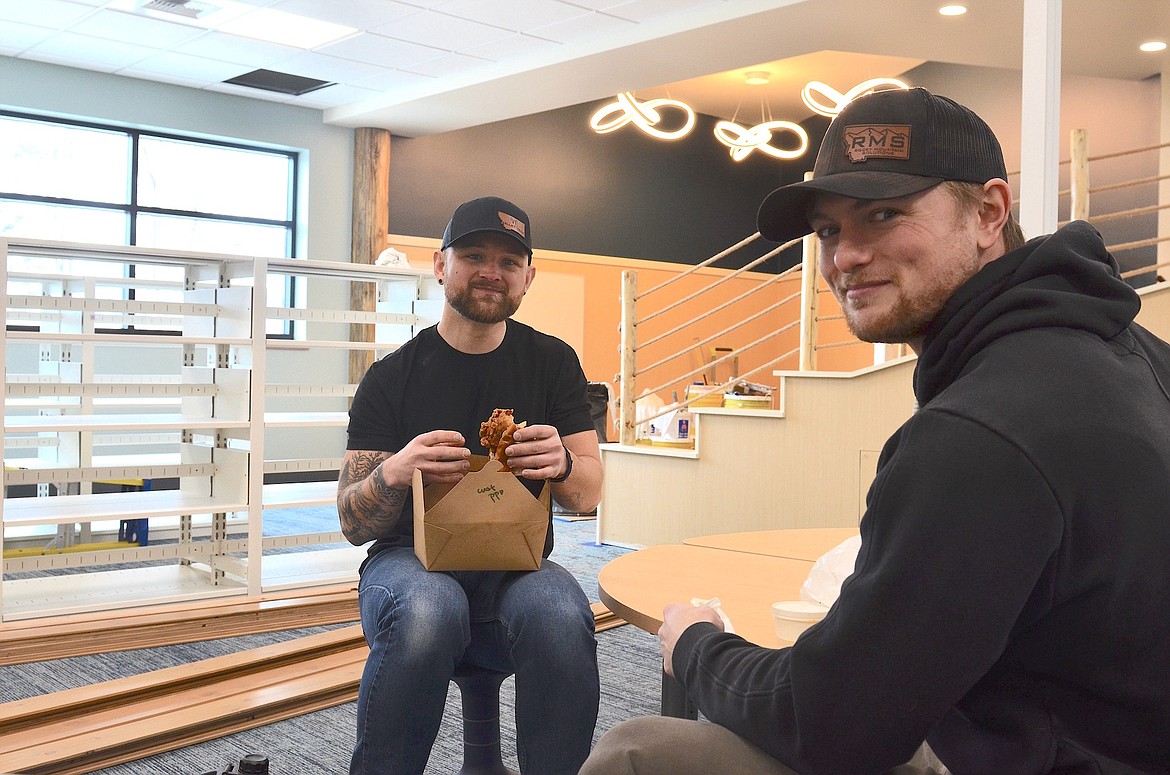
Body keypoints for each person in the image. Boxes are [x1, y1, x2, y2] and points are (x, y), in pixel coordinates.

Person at [581, 87, 1170, 775]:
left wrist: (699, 644)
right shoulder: (1134, 351)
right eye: (829, 230)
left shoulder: (979, 432)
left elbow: (830, 725)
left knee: (637, 755)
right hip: (1073, 726)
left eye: (885, 213)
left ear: (988, 213)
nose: (845, 256)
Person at [338, 196, 603, 775]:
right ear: (440, 265)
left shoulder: (553, 363)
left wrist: (560, 462)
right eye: (474, 255)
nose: (492, 271)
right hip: (410, 564)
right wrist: (394, 471)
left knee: (562, 614)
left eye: (510, 262)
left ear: (528, 277)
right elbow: (353, 523)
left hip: (519, 568)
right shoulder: (391, 377)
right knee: (430, 608)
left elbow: (587, 495)